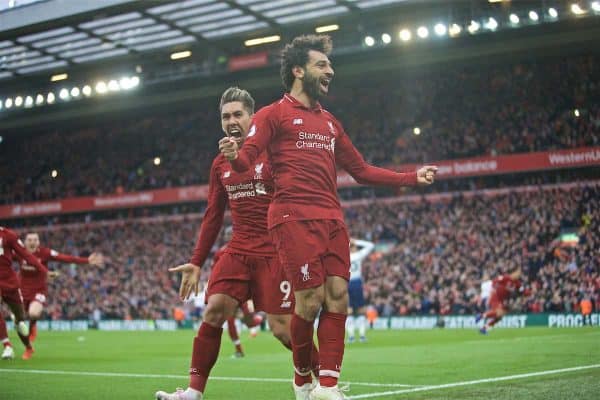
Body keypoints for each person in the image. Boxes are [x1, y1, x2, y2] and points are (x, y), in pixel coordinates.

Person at [219, 34, 437, 399]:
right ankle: (303, 375)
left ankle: (328, 387)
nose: (330, 71)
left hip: (332, 219)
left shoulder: (331, 123)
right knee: (310, 302)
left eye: (329, 65)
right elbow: (248, 158)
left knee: (339, 297)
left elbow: (362, 170)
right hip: (293, 217)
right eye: (322, 64)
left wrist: (411, 177)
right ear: (298, 70)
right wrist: (233, 155)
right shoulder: (272, 114)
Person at [156, 87, 319, 400]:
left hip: (275, 251)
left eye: (237, 114)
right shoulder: (219, 164)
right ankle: (193, 392)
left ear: (252, 118)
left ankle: (325, 383)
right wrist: (196, 261)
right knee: (214, 310)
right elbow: (213, 216)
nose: (231, 120)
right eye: (225, 116)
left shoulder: (274, 152)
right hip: (239, 249)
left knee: (283, 330)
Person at [16, 232, 104, 354]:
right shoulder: (19, 253)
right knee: (18, 321)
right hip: (22, 291)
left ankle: (33, 326)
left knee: (33, 313)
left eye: (35, 240)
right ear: (25, 242)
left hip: (38, 290)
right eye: (30, 240)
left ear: (39, 242)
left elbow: (65, 258)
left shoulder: (45, 253)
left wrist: (86, 261)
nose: (32, 242)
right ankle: (26, 347)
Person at [0, 226, 47, 360]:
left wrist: (44, 271)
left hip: (11, 284)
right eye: (30, 239)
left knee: (20, 321)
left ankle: (28, 347)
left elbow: (26, 255)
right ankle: (7, 345)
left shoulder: (8, 235)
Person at [476, 269, 526, 334]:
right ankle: (481, 316)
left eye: (519, 274)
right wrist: (494, 290)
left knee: (499, 317)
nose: (518, 275)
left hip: (504, 300)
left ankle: (484, 328)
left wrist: (523, 294)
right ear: (513, 273)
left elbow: (522, 291)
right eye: (518, 273)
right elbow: (494, 282)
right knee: (499, 313)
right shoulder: (505, 278)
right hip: (496, 297)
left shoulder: (517, 283)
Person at [346, 239, 374, 343]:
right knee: (361, 310)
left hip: (347, 283)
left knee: (349, 311)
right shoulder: (358, 255)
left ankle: (351, 337)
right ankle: (362, 336)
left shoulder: (343, 257)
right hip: (357, 283)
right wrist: (357, 241)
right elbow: (371, 245)